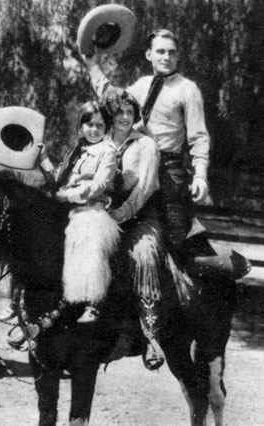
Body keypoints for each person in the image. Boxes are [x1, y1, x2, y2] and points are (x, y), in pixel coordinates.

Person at [82, 28, 210, 267]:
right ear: (148, 54)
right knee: (106, 220)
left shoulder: (187, 89)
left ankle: (185, 293)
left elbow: (199, 136)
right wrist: (93, 66)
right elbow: (112, 100)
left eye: (172, 52)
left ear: (178, 56)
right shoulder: (141, 85)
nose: (166, 57)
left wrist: (200, 174)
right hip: (134, 163)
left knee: (176, 236)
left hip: (169, 171)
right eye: (160, 51)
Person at [102, 88, 192, 369]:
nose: (125, 118)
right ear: (110, 116)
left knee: (144, 254)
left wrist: (121, 213)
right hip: (102, 214)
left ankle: (150, 335)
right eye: (119, 113)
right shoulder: (99, 142)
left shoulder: (145, 145)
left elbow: (145, 187)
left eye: (130, 113)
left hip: (141, 218)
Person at [55, 100, 120, 323]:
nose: (93, 130)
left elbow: (99, 184)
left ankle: (94, 303)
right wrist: (43, 160)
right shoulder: (75, 152)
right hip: (70, 210)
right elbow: (57, 179)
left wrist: (68, 195)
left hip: (92, 209)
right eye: (89, 124)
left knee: (91, 239)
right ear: (81, 126)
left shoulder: (107, 152)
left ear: (107, 129)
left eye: (99, 126)